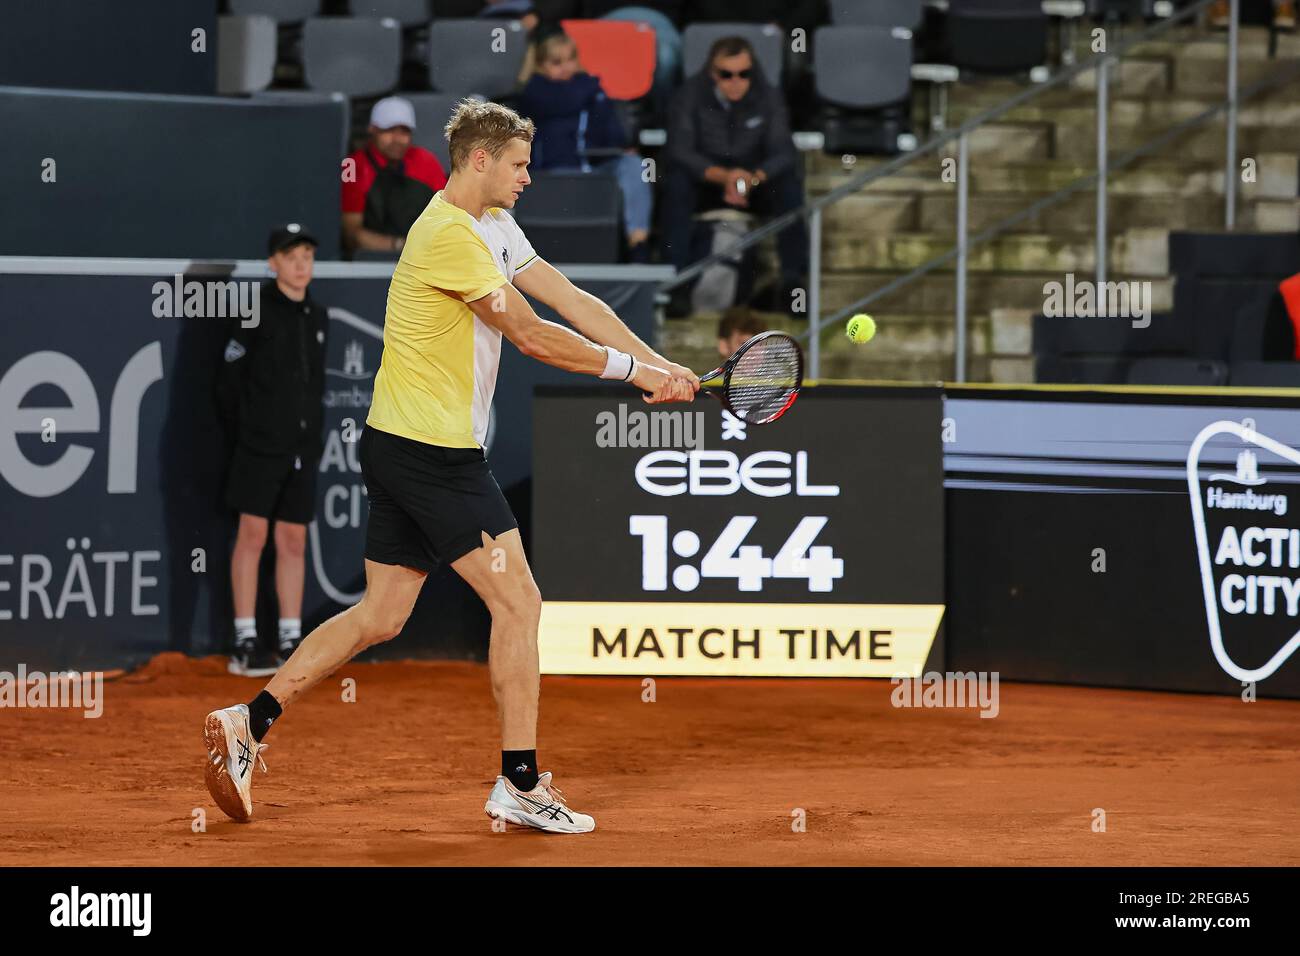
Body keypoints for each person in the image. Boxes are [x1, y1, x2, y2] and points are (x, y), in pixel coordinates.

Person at [202, 99, 699, 833]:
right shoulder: (445, 234)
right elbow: (530, 334)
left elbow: (570, 298)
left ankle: (250, 720)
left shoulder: (495, 225)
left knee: (381, 614)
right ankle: (520, 784)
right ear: (479, 160)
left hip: (403, 445)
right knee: (519, 602)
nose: (529, 177)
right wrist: (635, 374)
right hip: (432, 455)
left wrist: (662, 366)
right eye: (519, 165)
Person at [215, 224, 329, 677]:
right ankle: (244, 638)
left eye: (307, 255)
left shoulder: (318, 318)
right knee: (252, 536)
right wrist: (250, 434)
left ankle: (288, 638)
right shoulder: (253, 312)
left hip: (302, 450)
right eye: (291, 255)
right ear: (273, 263)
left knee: (293, 540)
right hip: (258, 449)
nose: (301, 263)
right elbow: (227, 387)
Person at [661, 36, 809, 319]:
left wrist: (750, 179)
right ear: (712, 73)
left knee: (788, 184)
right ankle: (677, 283)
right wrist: (725, 177)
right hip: (707, 182)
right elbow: (679, 151)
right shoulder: (689, 95)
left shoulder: (769, 95)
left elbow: (784, 152)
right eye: (726, 74)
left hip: (755, 184)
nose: (736, 81)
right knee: (677, 182)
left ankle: (793, 283)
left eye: (744, 73)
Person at [518, 30, 653, 260]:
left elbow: (615, 134)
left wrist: (618, 145)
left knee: (635, 165)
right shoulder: (534, 91)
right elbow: (562, 101)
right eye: (556, 62)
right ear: (540, 65)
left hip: (594, 167)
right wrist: (593, 90)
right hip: (549, 171)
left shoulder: (592, 91)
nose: (566, 67)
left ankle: (638, 243)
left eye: (571, 59)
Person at [341, 97, 448, 257]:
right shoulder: (351, 165)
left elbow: (447, 215)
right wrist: (399, 245)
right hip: (370, 258)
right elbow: (351, 234)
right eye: (389, 130)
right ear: (372, 129)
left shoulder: (426, 160)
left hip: (423, 257)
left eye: (404, 132)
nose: (397, 140)